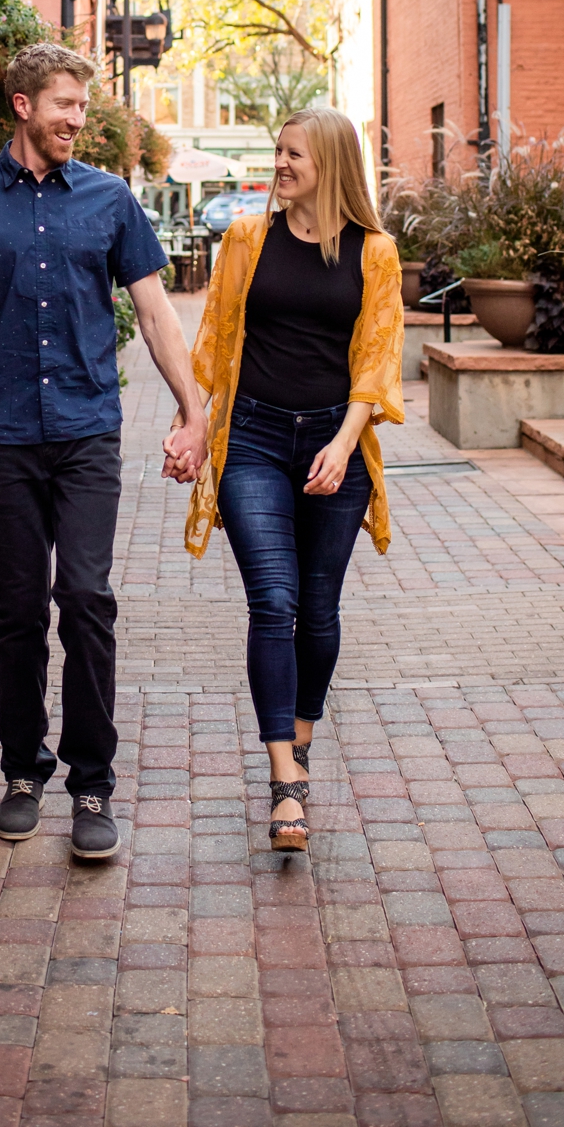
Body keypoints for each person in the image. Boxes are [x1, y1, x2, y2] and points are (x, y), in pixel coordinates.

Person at [0, 42, 207, 859]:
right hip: (1, 433)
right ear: (24, 106)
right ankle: (22, 771)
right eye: (67, 104)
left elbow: (154, 312)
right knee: (19, 611)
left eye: (84, 104)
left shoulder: (110, 199)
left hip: (84, 431)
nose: (80, 118)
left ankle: (93, 783)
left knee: (88, 599)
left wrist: (194, 410)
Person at [182, 106, 404, 853]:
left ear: (331, 165)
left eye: (293, 155)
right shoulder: (247, 240)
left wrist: (344, 444)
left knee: (318, 607)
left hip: (335, 445)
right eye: (278, 152)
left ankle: (300, 736)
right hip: (254, 438)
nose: (279, 165)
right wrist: (189, 425)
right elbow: (213, 342)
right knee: (272, 600)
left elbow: (378, 361)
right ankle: (286, 783)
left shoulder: (375, 254)